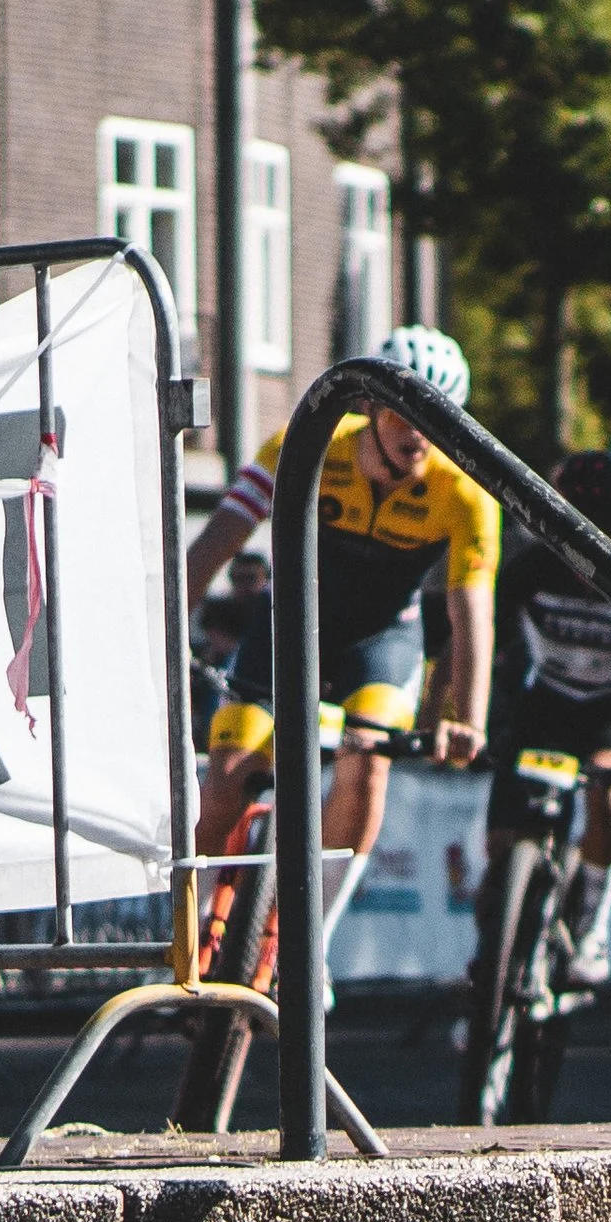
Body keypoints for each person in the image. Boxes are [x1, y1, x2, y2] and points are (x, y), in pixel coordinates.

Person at [184, 325, 497, 871]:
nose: (420, 433)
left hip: (381, 641)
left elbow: (471, 612)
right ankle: (203, 933)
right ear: (373, 408)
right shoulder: (304, 445)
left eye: (439, 420)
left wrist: (468, 719)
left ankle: (310, 937)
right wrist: (164, 628)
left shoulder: (465, 493)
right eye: (405, 413)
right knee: (226, 774)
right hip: (289, 626)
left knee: (368, 760)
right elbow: (217, 541)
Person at [478, 449, 611, 992]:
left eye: (607, 524)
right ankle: (493, 968)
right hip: (542, 709)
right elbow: (478, 644)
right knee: (504, 839)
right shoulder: (528, 568)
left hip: (609, 717)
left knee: (608, 791)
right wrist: (464, 721)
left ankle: (592, 931)